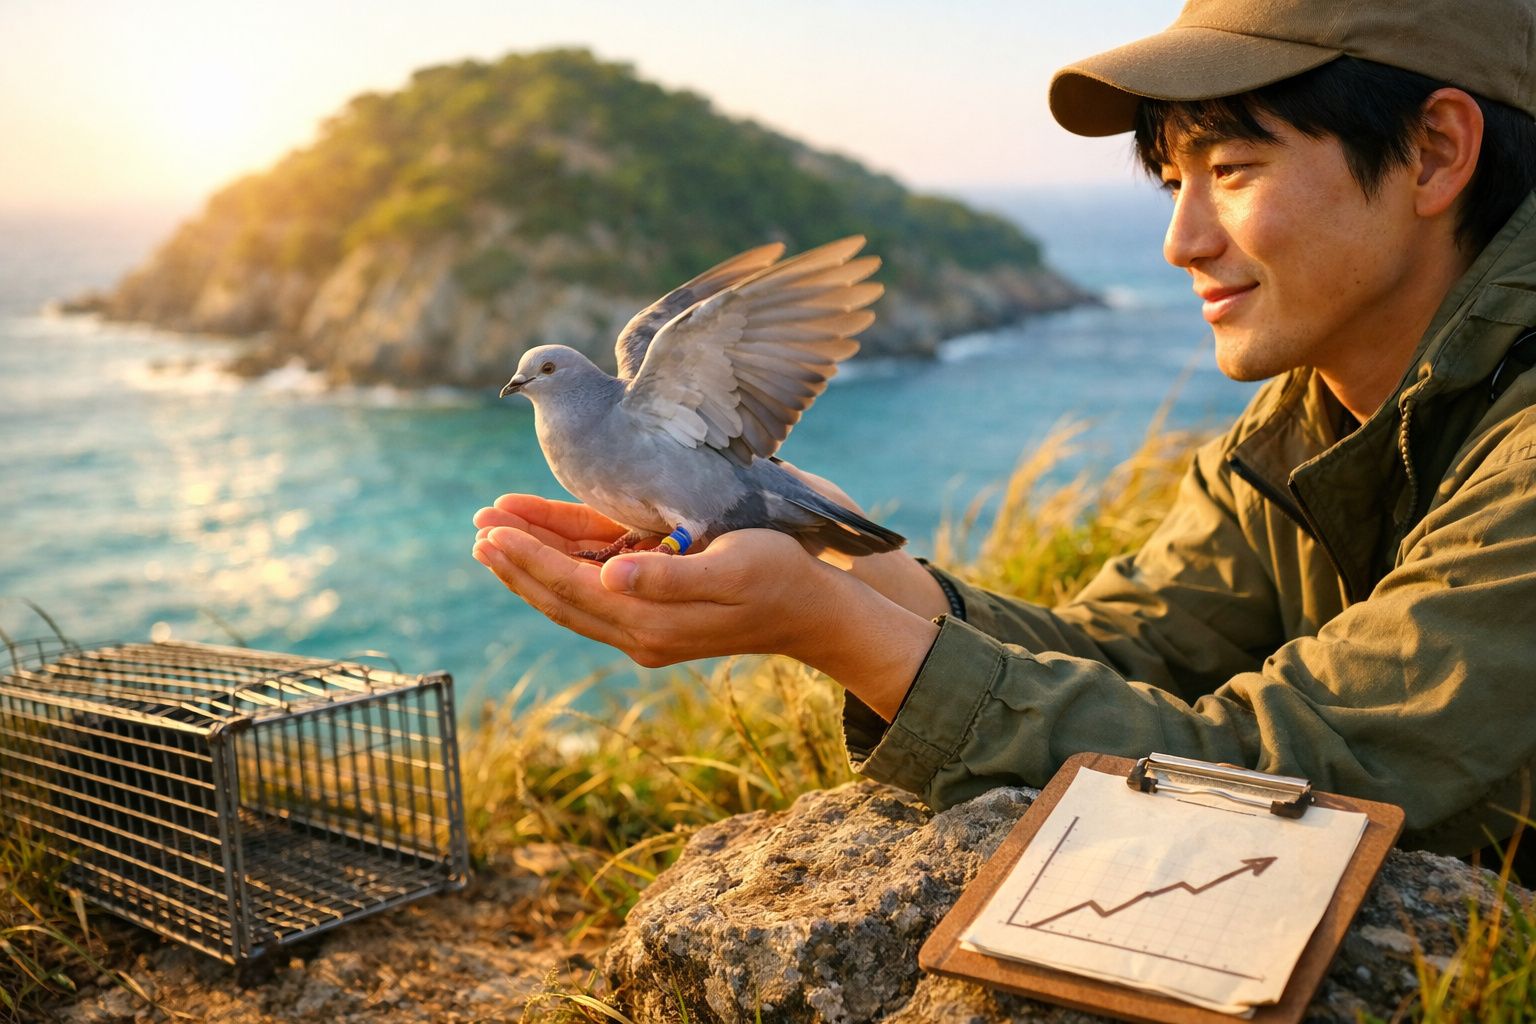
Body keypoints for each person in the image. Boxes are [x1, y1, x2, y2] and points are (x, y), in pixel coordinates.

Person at [473, 0, 1536, 866]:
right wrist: (851, 573)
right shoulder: (1303, 424)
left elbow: (1289, 771)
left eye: (1234, 171)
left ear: (1436, 153)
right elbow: (1134, 657)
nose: (1180, 240)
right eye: (1175, 181)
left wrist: (829, 628)